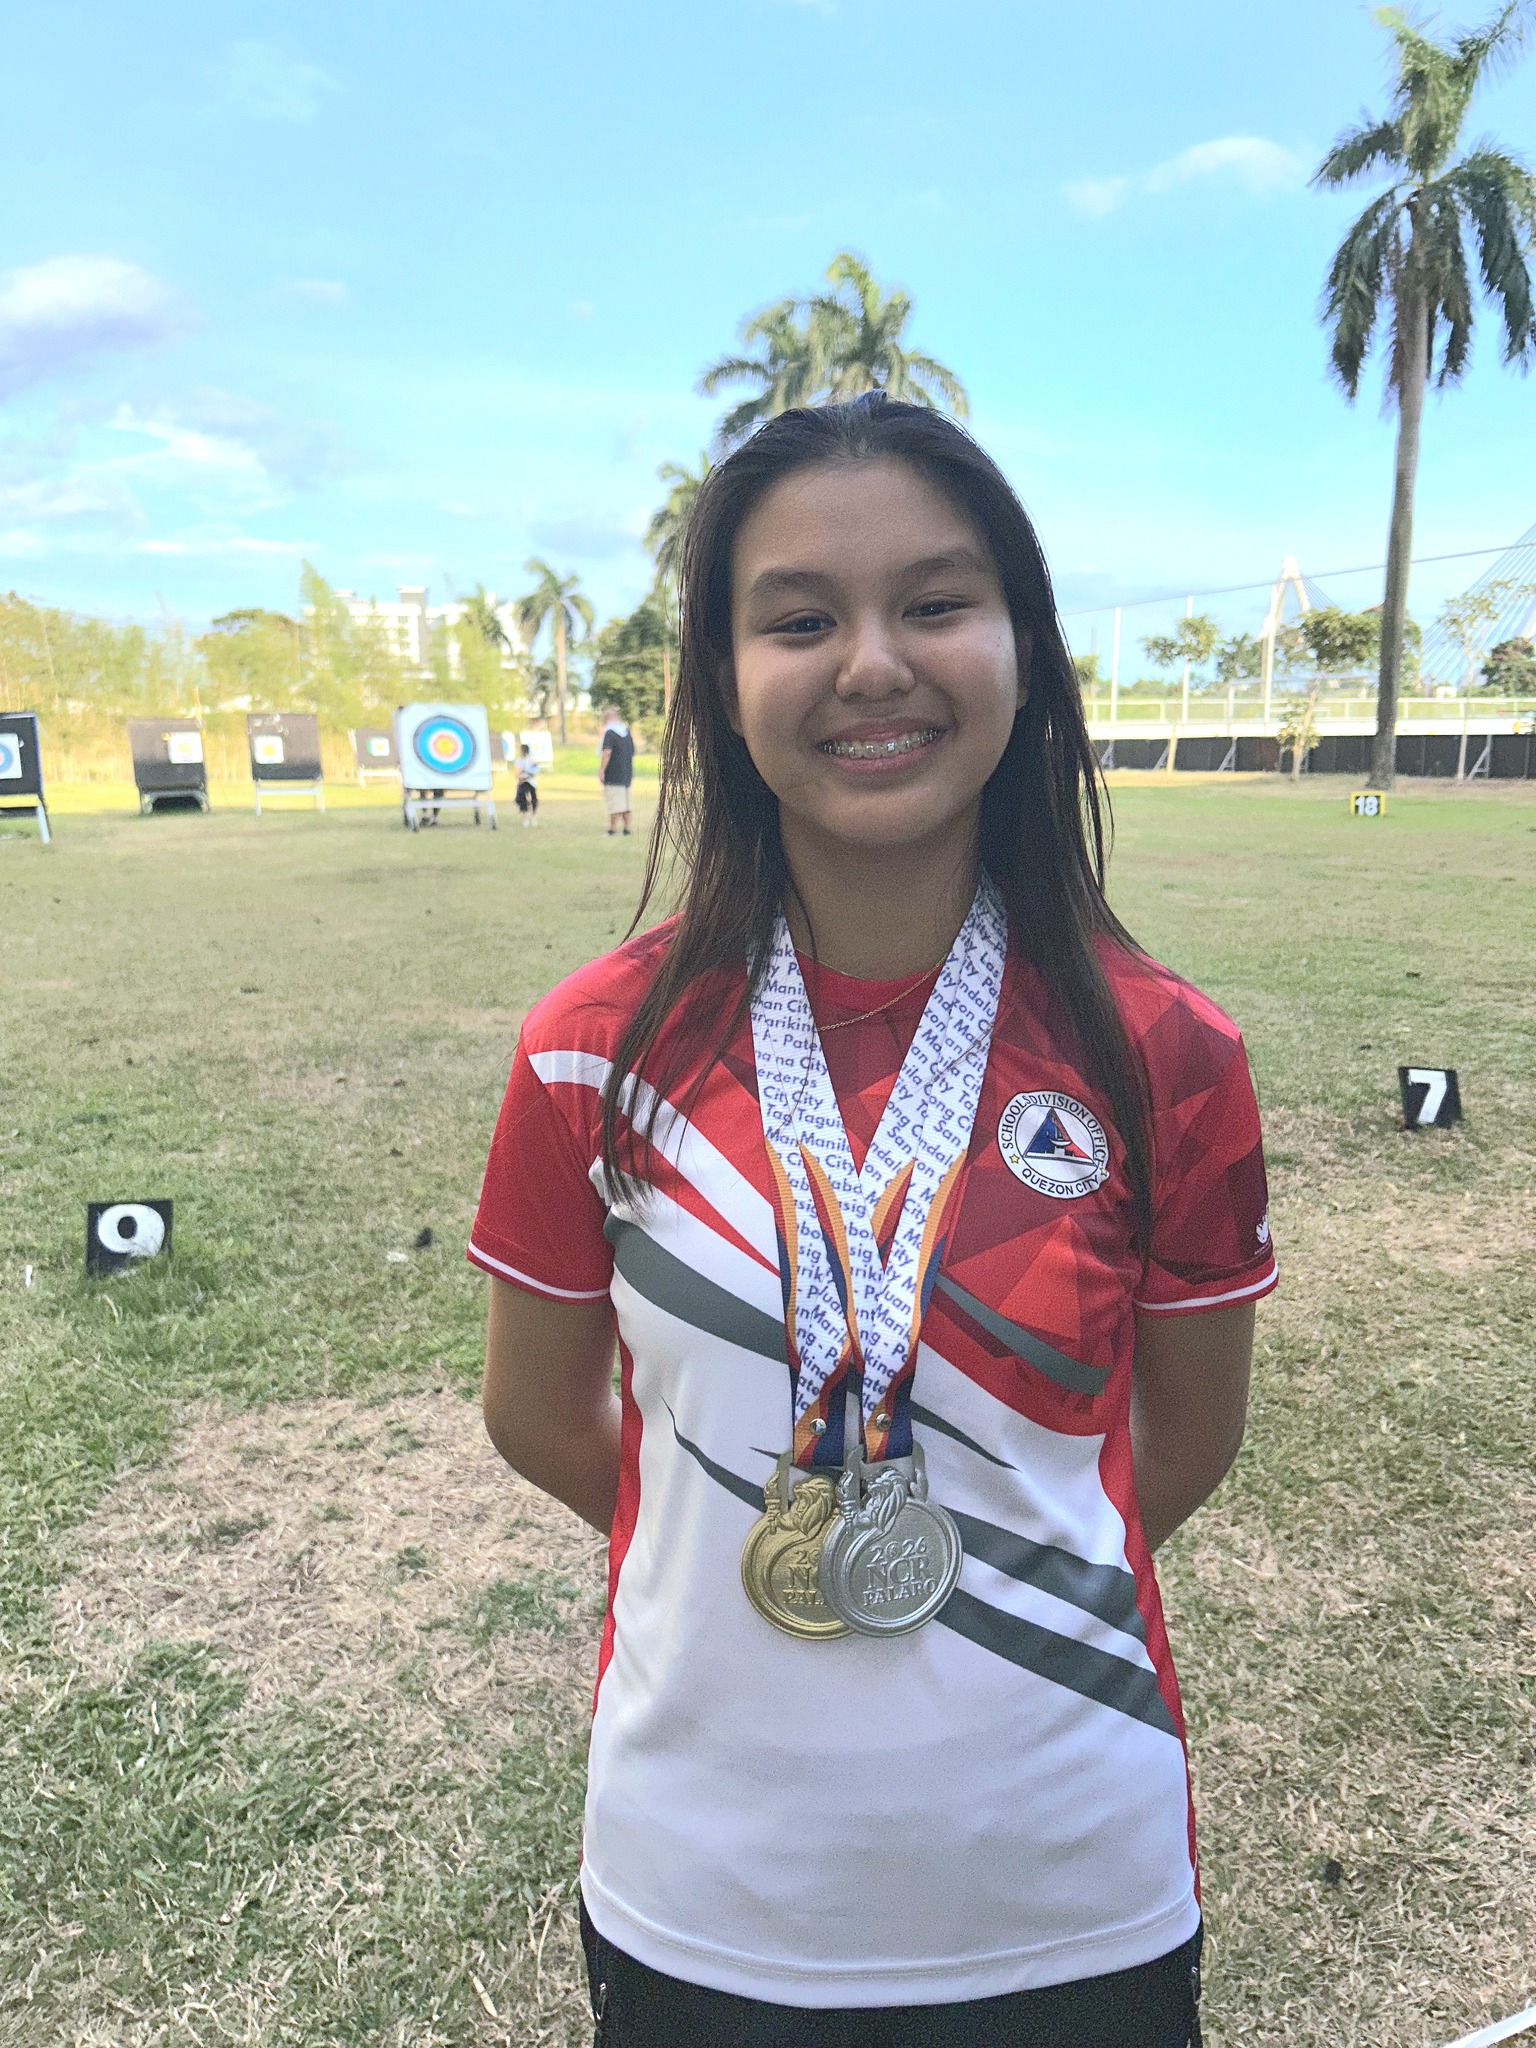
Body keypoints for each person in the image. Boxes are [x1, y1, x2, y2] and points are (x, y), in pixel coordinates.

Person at [471, 396, 1276, 2048]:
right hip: (703, 1888)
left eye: (933, 601)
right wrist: (725, 1535)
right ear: (719, 677)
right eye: (799, 617)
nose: (871, 662)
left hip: (1070, 1886)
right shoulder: (590, 1046)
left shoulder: (1167, 1052)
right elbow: (541, 1411)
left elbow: (1175, 1446)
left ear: (1025, 649)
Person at [598, 707, 635, 835]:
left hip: (613, 773)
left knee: (614, 802)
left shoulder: (610, 733)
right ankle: (626, 828)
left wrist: (602, 770)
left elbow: (606, 752)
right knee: (626, 803)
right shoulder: (627, 732)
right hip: (627, 773)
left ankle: (612, 829)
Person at [515, 742, 541, 826]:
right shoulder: (518, 761)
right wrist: (520, 776)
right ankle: (525, 819)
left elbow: (535, 771)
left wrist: (527, 773)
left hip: (530, 782)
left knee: (533, 799)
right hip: (522, 782)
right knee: (521, 800)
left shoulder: (531, 760)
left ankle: (534, 816)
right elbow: (516, 773)